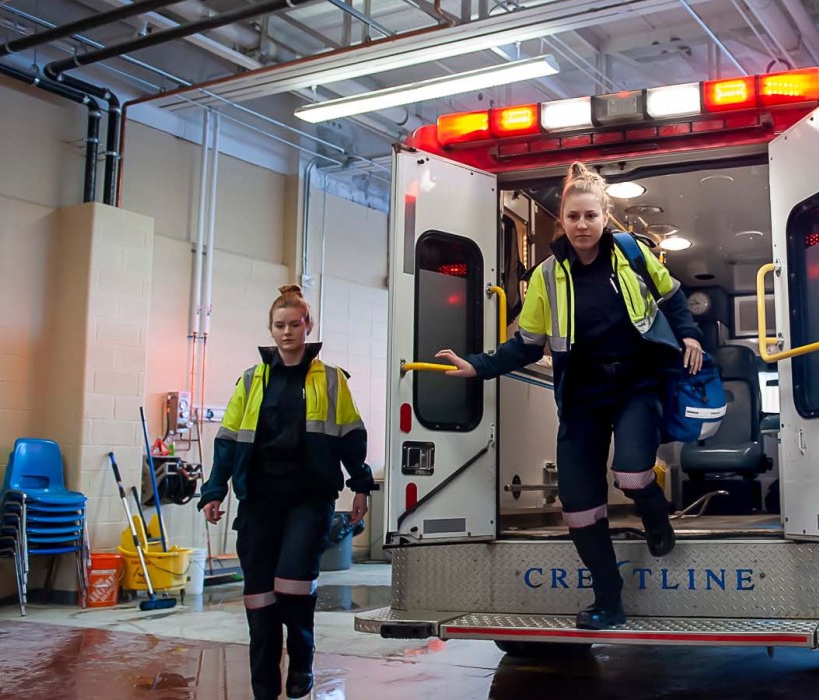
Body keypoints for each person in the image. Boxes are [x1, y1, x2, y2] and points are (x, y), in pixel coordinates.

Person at [437, 162, 704, 630]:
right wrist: (478, 366)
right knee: (578, 507)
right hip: (582, 398)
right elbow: (527, 344)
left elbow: (673, 297)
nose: (582, 225)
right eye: (573, 216)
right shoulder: (545, 275)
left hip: (636, 388)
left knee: (632, 473)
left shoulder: (632, 254)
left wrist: (690, 335)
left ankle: (655, 514)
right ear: (562, 220)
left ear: (604, 217)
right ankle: (608, 599)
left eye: (590, 216)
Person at [199, 285, 374, 699]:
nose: (287, 332)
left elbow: (351, 436)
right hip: (259, 498)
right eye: (279, 326)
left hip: (308, 497)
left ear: (307, 326)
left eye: (294, 324)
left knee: (293, 583)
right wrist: (214, 490)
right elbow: (227, 440)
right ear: (271, 329)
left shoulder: (330, 379)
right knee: (259, 597)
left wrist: (361, 485)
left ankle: (301, 661)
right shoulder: (251, 380)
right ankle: (264, 687)